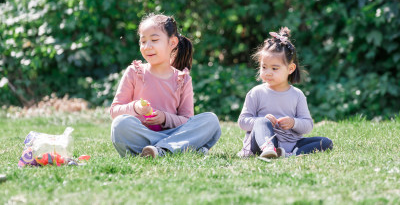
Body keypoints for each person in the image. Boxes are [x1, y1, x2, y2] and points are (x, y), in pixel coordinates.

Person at [110, 14, 221, 158]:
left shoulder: (182, 79)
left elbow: (186, 120)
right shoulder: (134, 72)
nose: (147, 46)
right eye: (143, 41)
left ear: (172, 43)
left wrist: (164, 118)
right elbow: (114, 112)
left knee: (210, 121)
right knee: (120, 124)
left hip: (173, 133)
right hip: (143, 135)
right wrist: (136, 108)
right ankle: (179, 148)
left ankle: (162, 150)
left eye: (154, 40)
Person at [238, 27, 333, 158]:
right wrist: (261, 121)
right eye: (264, 67)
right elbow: (243, 121)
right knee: (261, 122)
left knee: (326, 142)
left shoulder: (297, 95)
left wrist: (293, 123)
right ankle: (269, 149)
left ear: (290, 68)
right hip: (260, 145)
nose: (268, 72)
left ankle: (290, 154)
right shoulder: (256, 93)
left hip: (292, 144)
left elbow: (308, 125)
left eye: (274, 68)